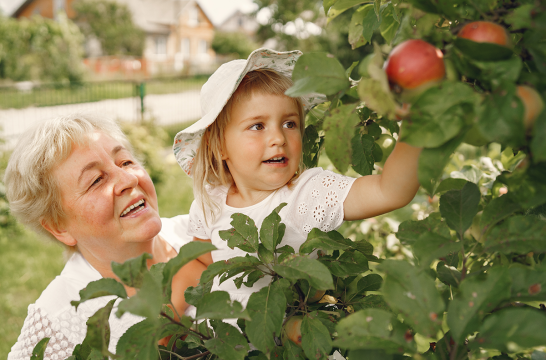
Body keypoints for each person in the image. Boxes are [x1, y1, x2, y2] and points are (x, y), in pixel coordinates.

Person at [172, 48, 421, 307]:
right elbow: (201, 261)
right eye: (257, 126)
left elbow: (389, 191)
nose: (279, 138)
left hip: (295, 341)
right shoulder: (210, 201)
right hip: (229, 343)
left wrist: (416, 127)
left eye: (289, 123)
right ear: (220, 146)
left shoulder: (306, 193)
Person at [6, 113, 205, 360]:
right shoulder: (58, 323)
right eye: (96, 180)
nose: (129, 179)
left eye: (125, 162)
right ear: (59, 227)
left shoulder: (207, 235)